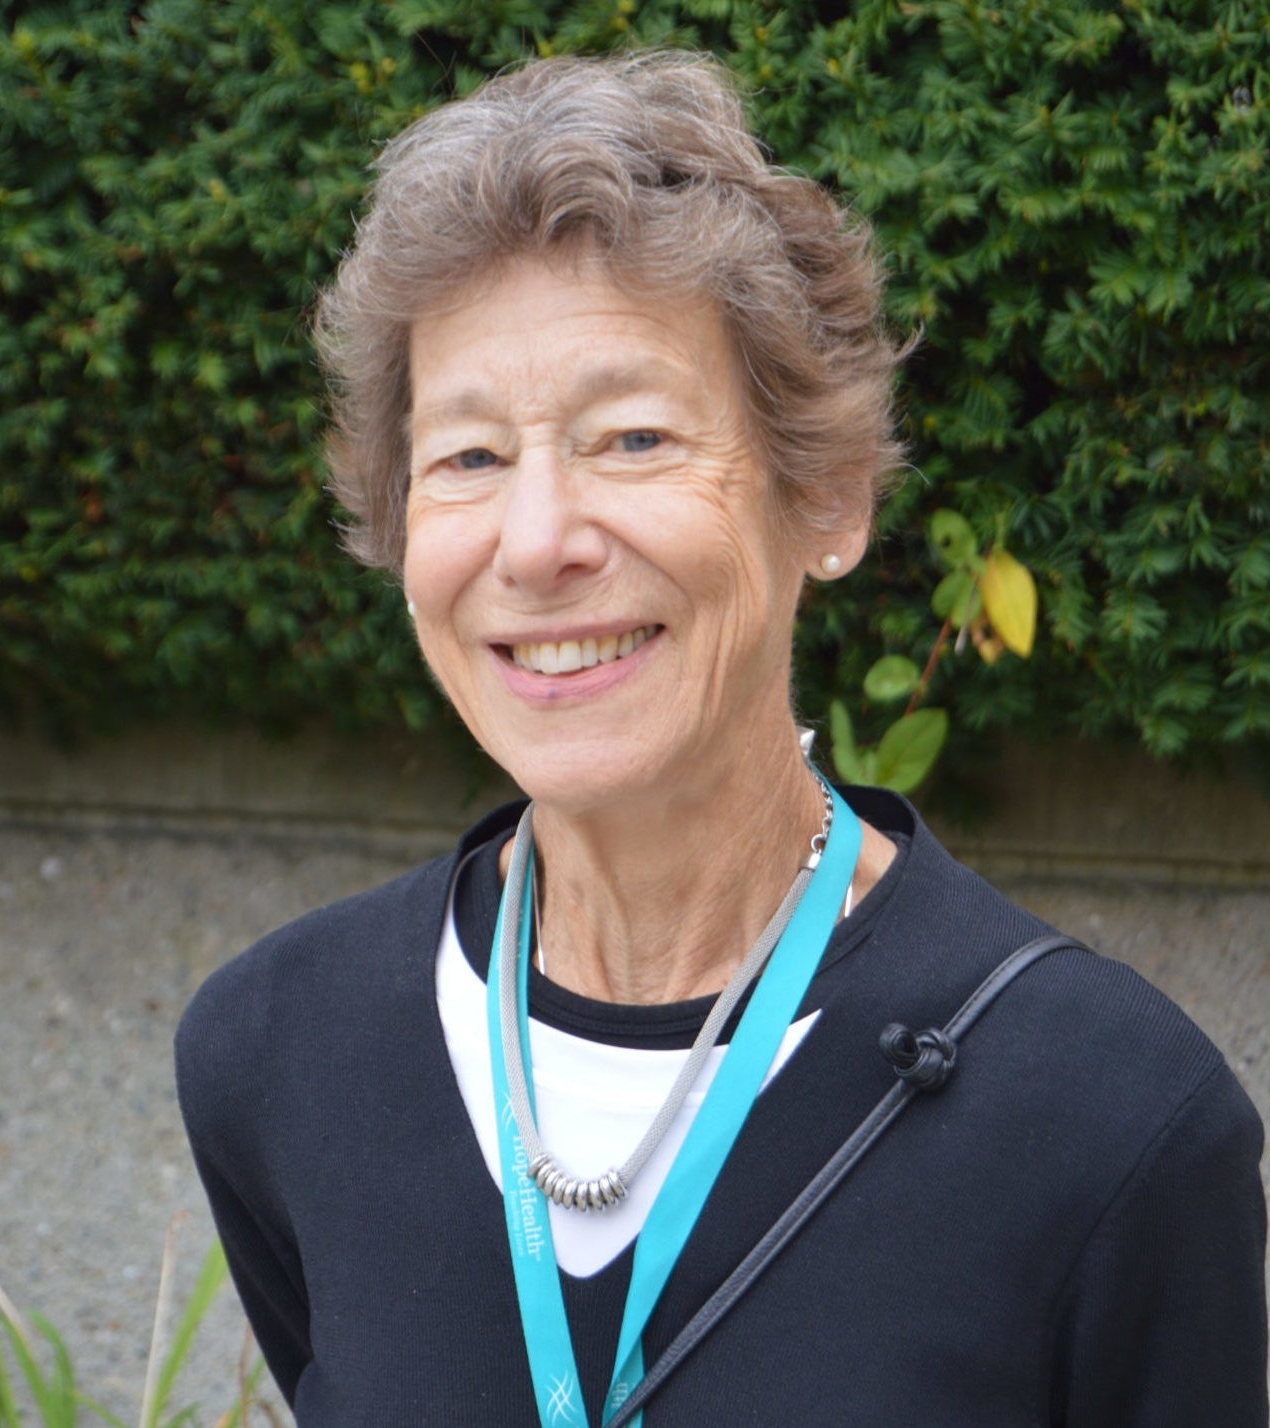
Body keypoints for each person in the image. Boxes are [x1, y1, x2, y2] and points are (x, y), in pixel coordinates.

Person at [175, 51, 1267, 1427]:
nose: (537, 541)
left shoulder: (1112, 1122)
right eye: (466, 458)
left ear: (825, 498)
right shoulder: (278, 1052)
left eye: (630, 438)